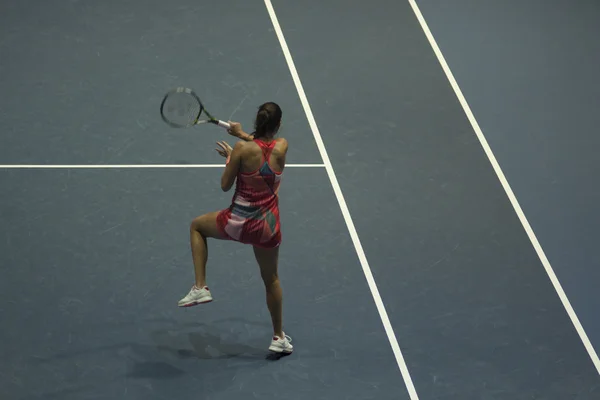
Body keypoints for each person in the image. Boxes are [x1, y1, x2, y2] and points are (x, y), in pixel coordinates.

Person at [177, 102, 293, 354]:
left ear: (257, 121)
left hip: (237, 224)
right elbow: (262, 147)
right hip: (267, 227)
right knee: (271, 279)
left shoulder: (242, 149)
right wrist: (241, 136)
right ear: (278, 125)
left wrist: (232, 157)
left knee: (197, 226)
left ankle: (200, 287)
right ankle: (278, 337)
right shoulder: (282, 146)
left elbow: (225, 185)